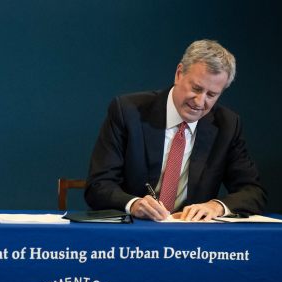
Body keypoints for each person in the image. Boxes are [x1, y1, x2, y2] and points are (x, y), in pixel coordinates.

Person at [85, 39, 266, 221]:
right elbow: (98, 185)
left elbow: (252, 191)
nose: (199, 102)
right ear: (179, 74)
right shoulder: (127, 111)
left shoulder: (227, 125)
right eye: (196, 88)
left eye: (211, 95)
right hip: (133, 231)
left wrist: (216, 206)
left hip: (193, 238)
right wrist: (133, 204)